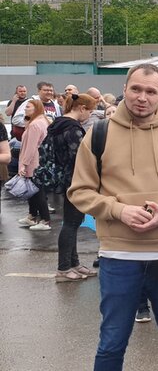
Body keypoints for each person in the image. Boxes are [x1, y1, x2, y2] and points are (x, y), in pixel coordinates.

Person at [68, 63, 158, 371]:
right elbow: (79, 190)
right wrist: (118, 210)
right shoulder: (98, 133)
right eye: (136, 89)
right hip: (119, 255)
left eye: (150, 91)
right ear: (126, 88)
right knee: (112, 342)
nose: (142, 97)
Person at [51, 93, 99, 281]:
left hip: (64, 178)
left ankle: (74, 263)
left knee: (73, 221)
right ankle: (64, 268)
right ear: (82, 108)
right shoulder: (72, 129)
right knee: (71, 223)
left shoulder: (58, 124)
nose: (90, 114)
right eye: (90, 110)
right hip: (75, 180)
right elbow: (80, 157)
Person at [16, 99, 51, 230]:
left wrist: (23, 164)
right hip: (39, 161)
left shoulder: (35, 124)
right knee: (34, 190)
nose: (25, 109)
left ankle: (45, 220)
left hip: (33, 162)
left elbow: (30, 147)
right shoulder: (42, 121)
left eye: (28, 107)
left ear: (36, 108)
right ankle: (33, 216)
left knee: (37, 192)